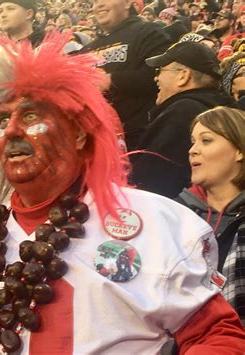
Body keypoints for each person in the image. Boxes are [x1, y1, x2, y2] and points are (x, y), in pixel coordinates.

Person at [0, 34, 245, 354]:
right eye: (4, 119)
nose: (12, 131)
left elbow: (217, 335)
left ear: (78, 134)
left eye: (31, 116)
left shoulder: (152, 225)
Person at [130, 42, 236, 198]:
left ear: (183, 76)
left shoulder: (182, 112)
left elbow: (151, 182)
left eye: (160, 70)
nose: (156, 77)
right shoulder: (224, 110)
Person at [176, 106, 245, 326]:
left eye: (206, 140)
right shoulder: (173, 214)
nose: (193, 150)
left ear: (239, 150)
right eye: (193, 141)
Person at [79, 0, 171, 150]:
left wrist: (111, 80)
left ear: (128, 2)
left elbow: (162, 75)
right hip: (95, 141)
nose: (99, 5)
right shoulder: (88, 48)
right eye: (95, 1)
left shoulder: (148, 32)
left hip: (138, 139)